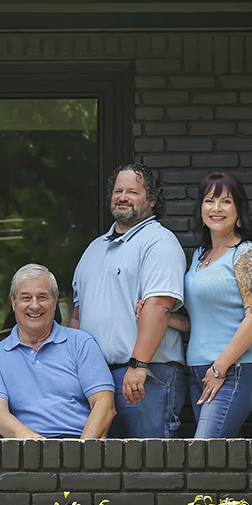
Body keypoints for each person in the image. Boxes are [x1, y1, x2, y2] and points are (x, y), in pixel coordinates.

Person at [70, 161, 187, 439]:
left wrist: (138, 365)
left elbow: (159, 308)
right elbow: (77, 315)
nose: (122, 197)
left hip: (146, 377)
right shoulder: (94, 248)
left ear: (152, 200)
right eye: (118, 190)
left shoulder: (159, 243)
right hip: (96, 382)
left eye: (132, 192)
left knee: (152, 466)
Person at [177, 172, 252, 439]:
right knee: (222, 460)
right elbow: (203, 320)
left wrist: (219, 369)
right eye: (209, 201)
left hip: (235, 370)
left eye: (225, 201)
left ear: (239, 209)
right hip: (201, 371)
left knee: (205, 452)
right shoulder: (199, 256)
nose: (216, 208)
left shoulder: (247, 254)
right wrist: (158, 315)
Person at [0, 264, 115, 439]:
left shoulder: (81, 344)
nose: (34, 306)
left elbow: (104, 404)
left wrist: (82, 455)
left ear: (55, 299)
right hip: (24, 450)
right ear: (13, 301)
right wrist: (38, 448)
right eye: (26, 298)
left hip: (81, 445)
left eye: (42, 297)